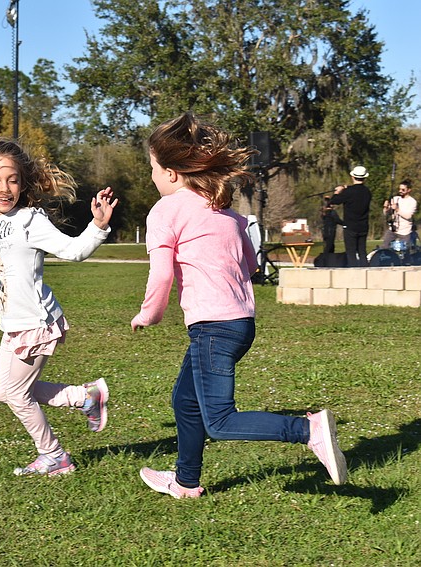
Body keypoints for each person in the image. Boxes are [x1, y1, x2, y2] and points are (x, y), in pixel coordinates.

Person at [130, 112, 347, 499]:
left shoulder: (165, 210)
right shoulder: (229, 215)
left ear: (173, 173)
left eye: (152, 168)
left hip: (212, 327)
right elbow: (250, 265)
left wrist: (149, 314)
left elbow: (161, 276)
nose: (151, 176)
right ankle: (185, 481)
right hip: (241, 324)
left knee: (220, 421)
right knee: (186, 400)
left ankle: (307, 430)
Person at [0, 137, 117, 477]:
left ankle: (55, 457)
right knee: (1, 391)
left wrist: (97, 226)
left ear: (22, 183)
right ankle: (85, 396)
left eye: (12, 180)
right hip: (12, 323)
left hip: (36, 322)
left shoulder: (30, 221)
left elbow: (74, 251)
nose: (4, 188)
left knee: (17, 394)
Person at [330, 166, 372, 266]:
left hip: (350, 226)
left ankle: (353, 272)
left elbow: (334, 201)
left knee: (351, 252)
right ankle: (366, 271)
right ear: (364, 178)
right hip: (363, 226)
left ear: (353, 177)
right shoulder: (367, 192)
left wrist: (338, 191)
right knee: (362, 251)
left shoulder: (348, 192)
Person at [380, 179, 416, 251]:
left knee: (405, 251)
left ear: (409, 190)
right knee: (384, 248)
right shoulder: (396, 198)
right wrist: (386, 208)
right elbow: (386, 214)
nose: (400, 191)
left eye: (403, 190)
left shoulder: (412, 202)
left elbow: (408, 216)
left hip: (405, 231)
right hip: (393, 229)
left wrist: (397, 209)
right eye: (399, 189)